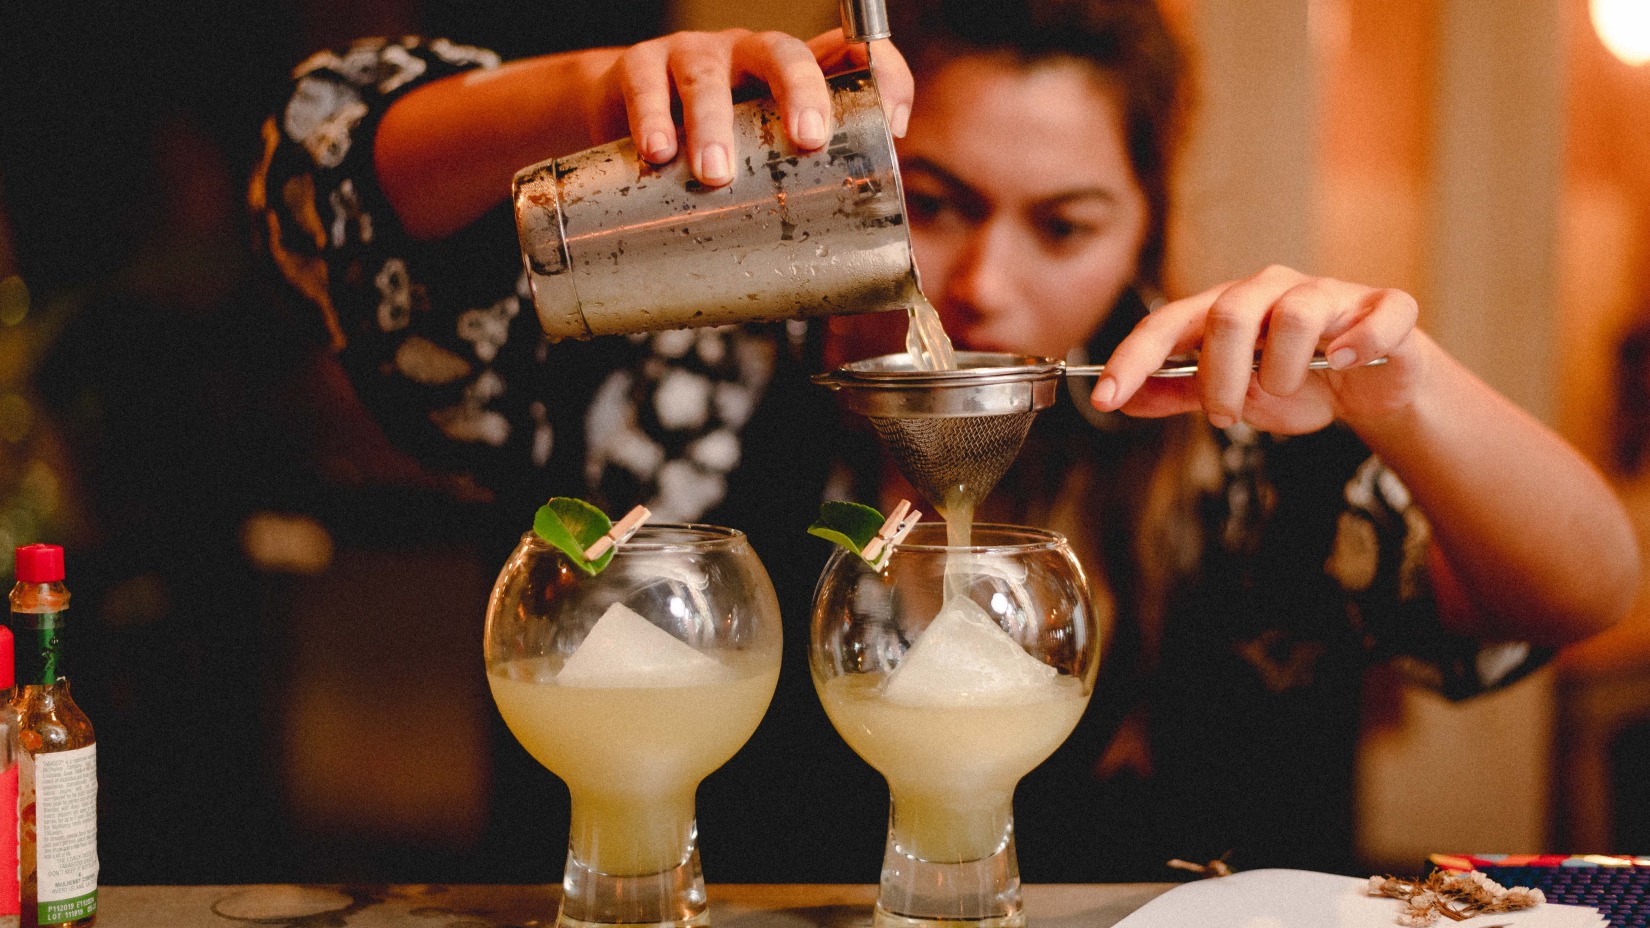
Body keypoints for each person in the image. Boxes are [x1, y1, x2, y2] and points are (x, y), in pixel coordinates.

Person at [249, 0, 1638, 883]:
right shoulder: (675, 377)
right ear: (846, 182)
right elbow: (331, 191)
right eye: (940, 200)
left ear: (1144, 229)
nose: (979, 283)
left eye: (1065, 225)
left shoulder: (1237, 436)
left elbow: (1572, 592)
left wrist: (1398, 387)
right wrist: (597, 89)